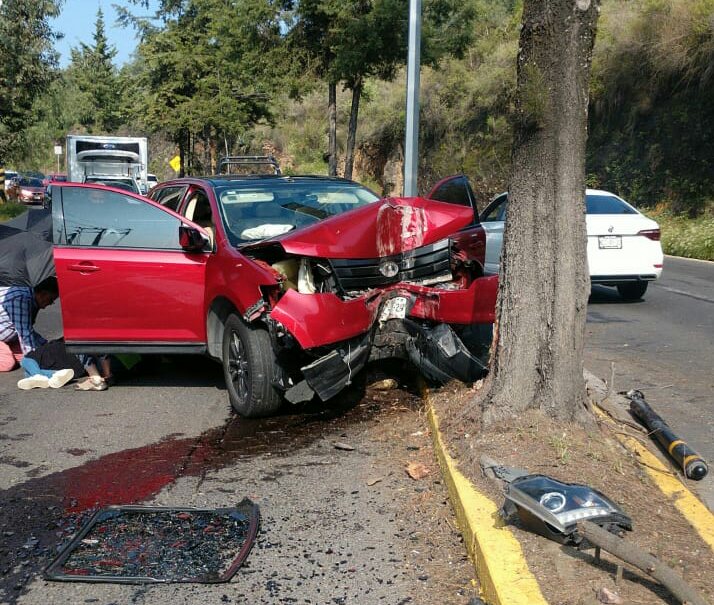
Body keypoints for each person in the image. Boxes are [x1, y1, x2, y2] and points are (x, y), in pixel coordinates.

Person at [0, 277, 58, 372]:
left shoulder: (31, 298)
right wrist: (36, 365)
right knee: (7, 363)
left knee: (32, 355)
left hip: (8, 338)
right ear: (42, 294)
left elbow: (28, 330)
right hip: (6, 337)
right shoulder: (20, 300)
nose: (50, 303)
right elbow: (25, 335)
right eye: (51, 299)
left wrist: (46, 345)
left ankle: (6, 349)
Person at [16, 339, 112, 391]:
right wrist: (107, 375)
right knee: (27, 374)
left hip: (59, 358)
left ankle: (42, 375)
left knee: (25, 362)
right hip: (75, 368)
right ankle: (50, 375)